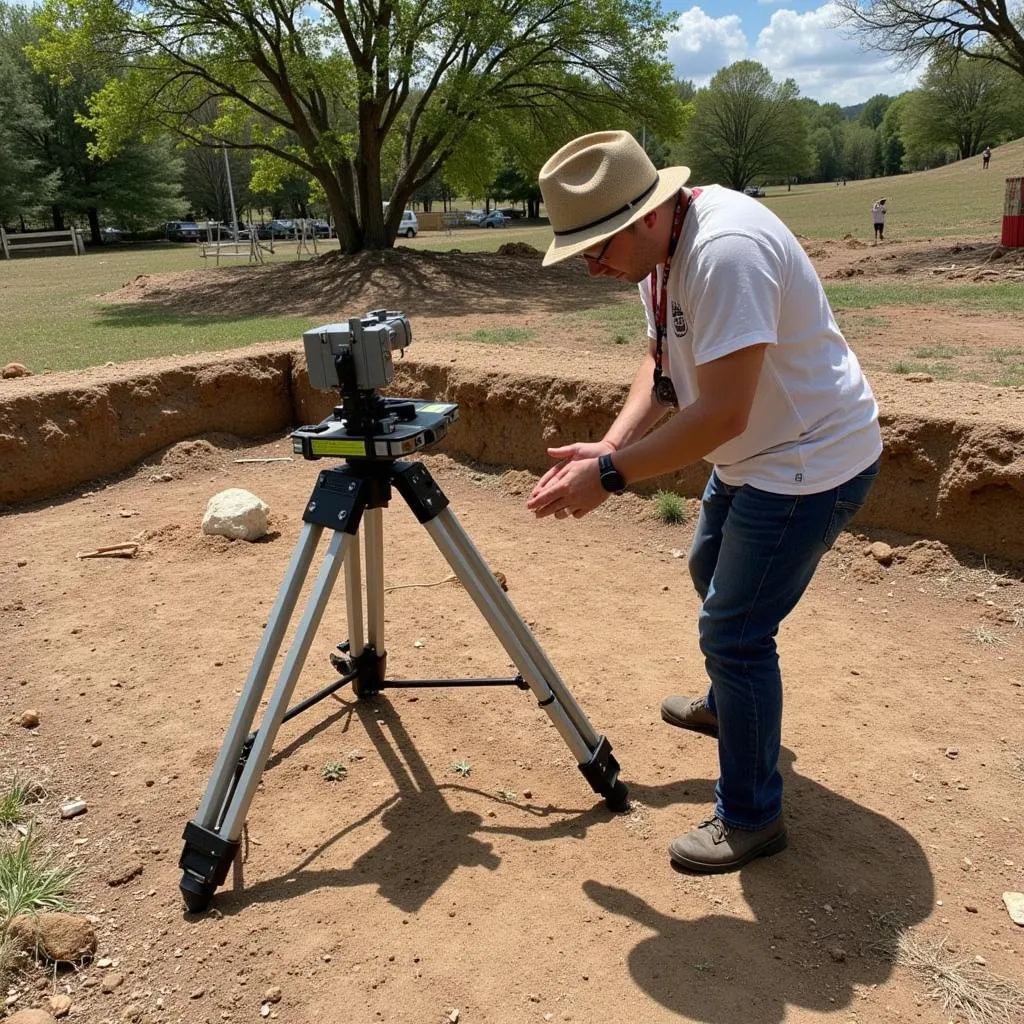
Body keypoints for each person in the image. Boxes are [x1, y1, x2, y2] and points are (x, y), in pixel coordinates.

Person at [529, 131, 881, 873]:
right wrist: (610, 445)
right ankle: (734, 708)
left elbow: (722, 414)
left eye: (597, 249)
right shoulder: (659, 254)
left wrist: (614, 477)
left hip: (807, 463)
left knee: (737, 632)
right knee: (708, 567)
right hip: (759, 456)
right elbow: (662, 365)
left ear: (647, 214)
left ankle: (752, 816)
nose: (594, 268)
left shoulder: (726, 253)